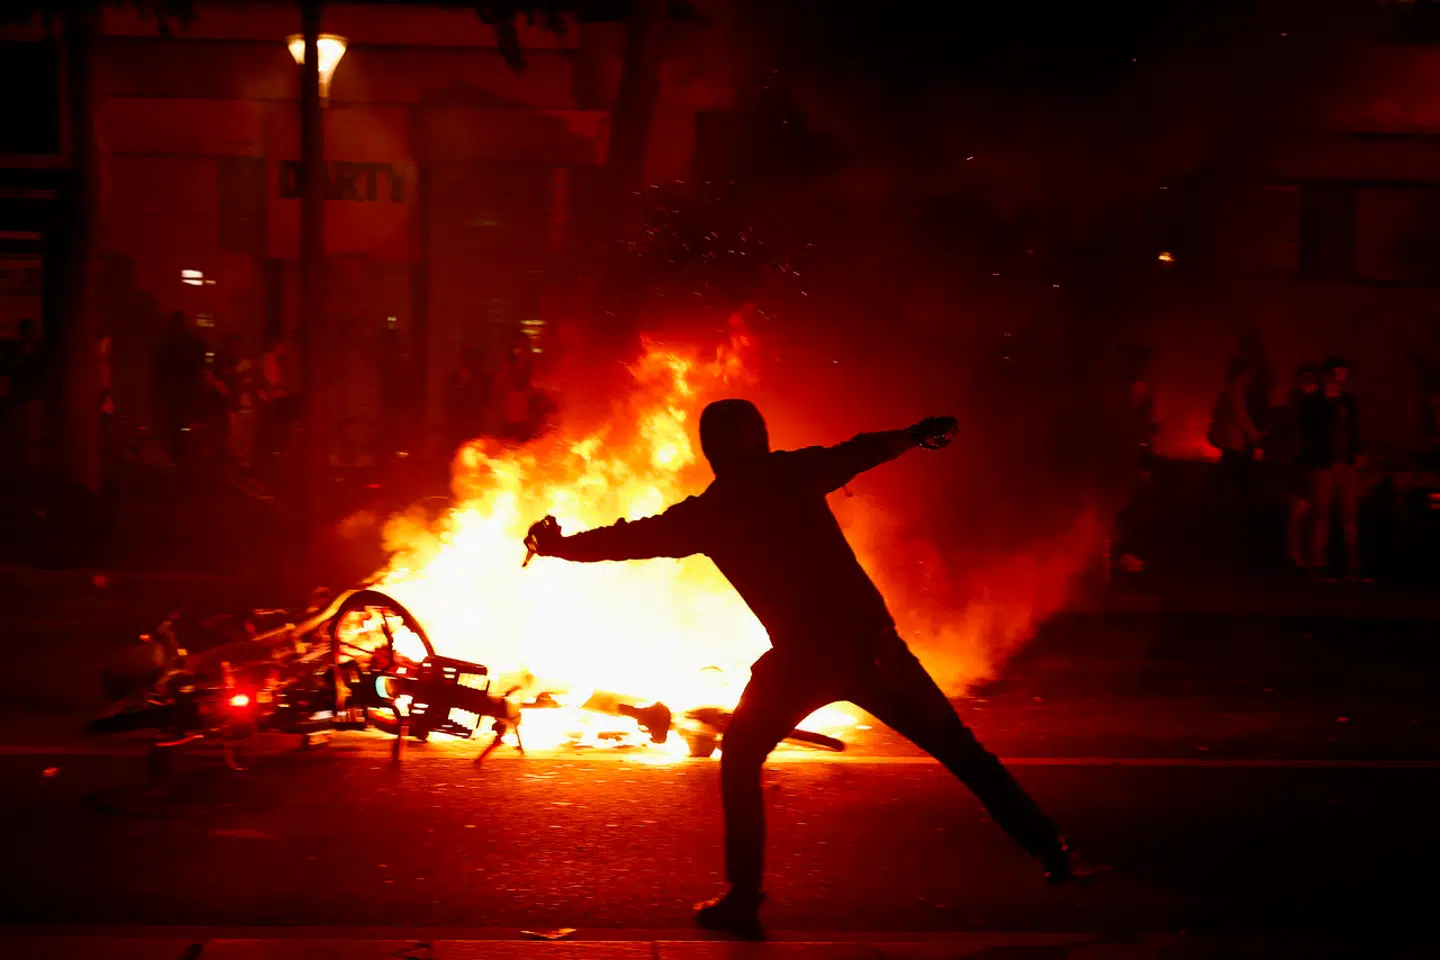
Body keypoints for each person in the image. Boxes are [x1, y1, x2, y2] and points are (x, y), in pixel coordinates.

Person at [523, 400, 1080, 939]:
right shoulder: (791, 473)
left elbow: (629, 540)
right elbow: (858, 452)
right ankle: (1049, 847)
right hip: (869, 647)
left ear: (713, 450)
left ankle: (743, 898)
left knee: (740, 762)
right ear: (757, 439)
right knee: (960, 750)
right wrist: (914, 435)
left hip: (802, 660)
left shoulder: (711, 513)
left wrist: (559, 546)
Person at [1307, 356, 1364, 580]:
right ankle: (1318, 562)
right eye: (1338, 374)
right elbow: (1310, 431)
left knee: (1349, 515)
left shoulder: (1348, 401)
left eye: (1344, 374)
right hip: (1324, 465)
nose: (1342, 379)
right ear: (1328, 375)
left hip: (1345, 465)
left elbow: (1354, 429)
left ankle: (1352, 563)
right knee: (1321, 514)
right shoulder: (1315, 403)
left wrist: (1357, 452)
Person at [1269, 365, 1322, 571]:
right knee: (1298, 510)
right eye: (1304, 380)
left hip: (1312, 464)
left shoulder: (1320, 408)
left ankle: (1307, 555)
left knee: (1311, 512)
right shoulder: (1293, 410)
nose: (1307, 385)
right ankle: (1295, 555)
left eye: (1310, 380)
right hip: (1296, 464)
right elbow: (1284, 437)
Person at [153, 311, 206, 466]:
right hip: (188, 389)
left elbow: (160, 370)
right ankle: (190, 454)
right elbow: (198, 363)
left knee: (174, 423)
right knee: (189, 421)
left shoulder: (167, 343)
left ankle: (178, 454)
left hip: (173, 390)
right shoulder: (193, 342)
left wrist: (159, 389)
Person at [1209, 358, 1263, 502]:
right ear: (1242, 374)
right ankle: (1225, 498)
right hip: (1231, 437)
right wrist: (1254, 435)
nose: (1251, 378)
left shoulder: (1230, 389)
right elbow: (1241, 416)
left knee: (1227, 465)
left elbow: (1216, 412)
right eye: (1249, 374)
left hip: (1228, 437)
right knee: (1230, 466)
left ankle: (1218, 496)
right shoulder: (1236, 391)